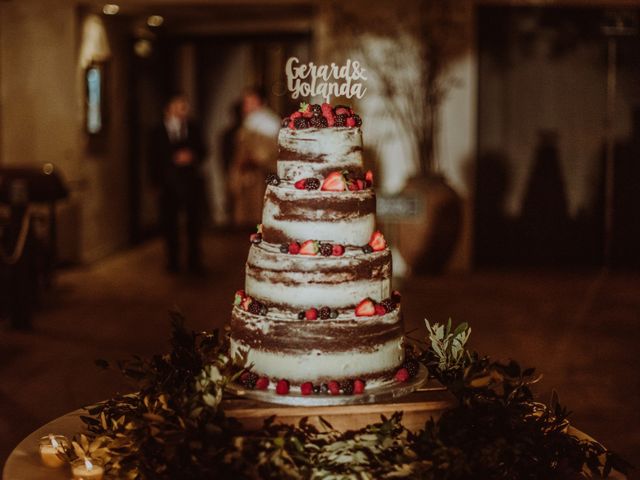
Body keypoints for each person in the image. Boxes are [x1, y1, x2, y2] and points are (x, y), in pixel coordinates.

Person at [149, 94, 206, 274]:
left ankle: (193, 261)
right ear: (169, 109)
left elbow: (203, 149)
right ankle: (172, 260)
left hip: (190, 181)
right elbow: (151, 157)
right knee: (169, 222)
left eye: (185, 107)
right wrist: (155, 181)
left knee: (193, 222)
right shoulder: (157, 131)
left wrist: (192, 156)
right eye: (179, 107)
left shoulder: (193, 127)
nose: (183, 111)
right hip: (168, 183)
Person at [228, 87, 280, 226]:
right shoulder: (249, 120)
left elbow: (268, 152)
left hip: (261, 175)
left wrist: (253, 158)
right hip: (248, 175)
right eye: (245, 102)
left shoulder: (269, 123)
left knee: (258, 213)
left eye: (250, 101)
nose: (246, 105)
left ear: (260, 102)